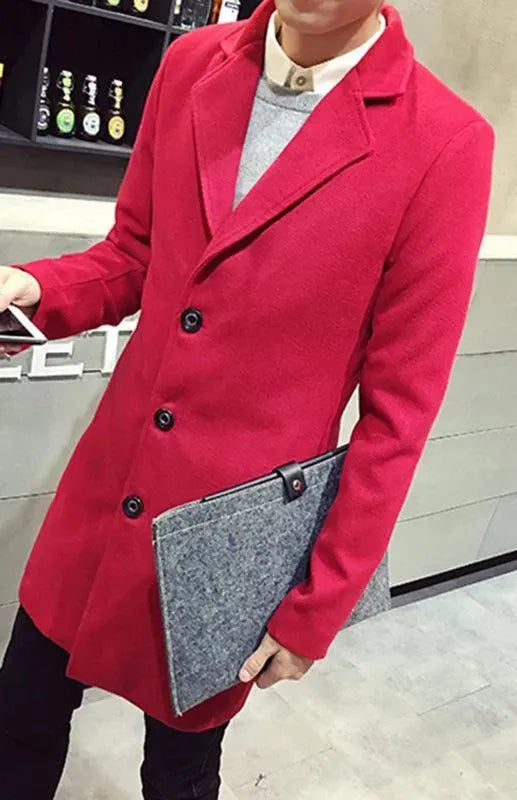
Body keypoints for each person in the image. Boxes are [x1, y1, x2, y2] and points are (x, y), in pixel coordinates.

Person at [0, 0, 494, 797]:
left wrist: (317, 604)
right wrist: (36, 292)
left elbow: (398, 413)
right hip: (105, 490)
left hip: (230, 533)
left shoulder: (444, 140)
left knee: (180, 768)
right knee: (19, 711)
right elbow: (137, 253)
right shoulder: (192, 64)